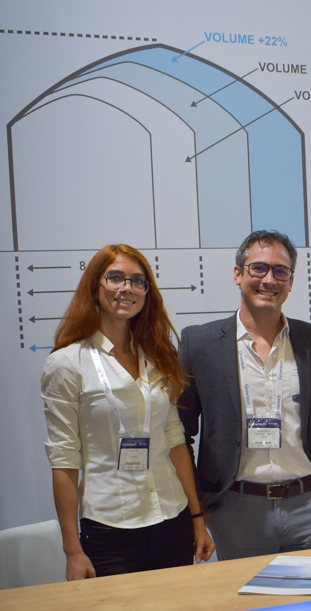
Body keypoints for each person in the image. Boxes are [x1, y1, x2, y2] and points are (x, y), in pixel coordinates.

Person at [178, 229, 311, 559]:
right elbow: (179, 434)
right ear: (238, 274)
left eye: (281, 271)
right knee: (247, 596)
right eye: (258, 268)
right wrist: (200, 506)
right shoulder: (200, 344)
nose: (269, 280)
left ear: (291, 282)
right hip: (235, 512)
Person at [41, 244, 215, 579]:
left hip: (172, 518)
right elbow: (64, 459)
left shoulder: (157, 357)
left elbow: (175, 440)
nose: (127, 288)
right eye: (116, 278)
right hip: (110, 531)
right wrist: (72, 550)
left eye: (137, 281)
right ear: (95, 285)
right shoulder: (66, 364)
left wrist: (197, 519)